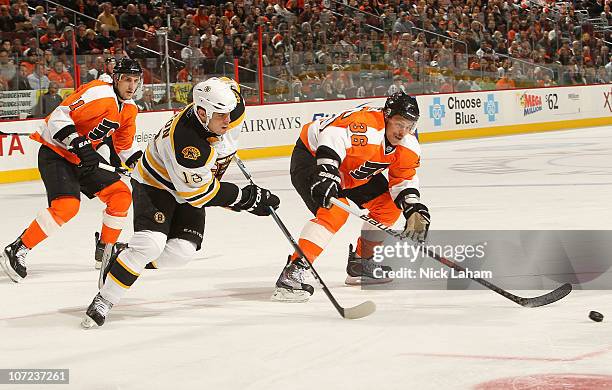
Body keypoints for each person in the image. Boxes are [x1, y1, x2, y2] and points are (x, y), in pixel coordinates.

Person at [81, 77, 279, 328]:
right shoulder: (189, 144)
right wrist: (246, 199)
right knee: (150, 245)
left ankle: (121, 256)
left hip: (187, 184)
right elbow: (198, 195)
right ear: (202, 112)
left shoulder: (220, 113)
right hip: (156, 184)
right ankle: (104, 299)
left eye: (228, 113)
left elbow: (225, 84)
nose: (228, 121)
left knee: (181, 254)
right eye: (221, 116)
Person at [272, 91, 431, 302]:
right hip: (314, 158)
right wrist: (327, 171)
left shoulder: (408, 145)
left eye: (409, 126)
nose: (404, 132)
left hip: (353, 169)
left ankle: (362, 262)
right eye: (399, 124)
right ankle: (293, 271)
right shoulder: (366, 126)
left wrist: (413, 207)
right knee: (335, 210)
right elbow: (331, 136)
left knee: (390, 207)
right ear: (387, 116)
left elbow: (403, 180)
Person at [0, 58, 144, 282]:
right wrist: (79, 143)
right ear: (116, 79)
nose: (131, 86)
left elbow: (124, 145)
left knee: (121, 195)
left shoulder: (129, 109)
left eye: (135, 81)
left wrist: (141, 166)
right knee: (67, 207)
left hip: (83, 159)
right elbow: (58, 116)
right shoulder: (98, 93)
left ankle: (105, 250)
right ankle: (17, 249)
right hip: (56, 153)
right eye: (126, 79)